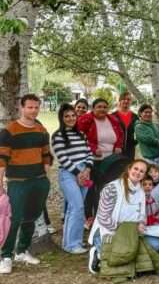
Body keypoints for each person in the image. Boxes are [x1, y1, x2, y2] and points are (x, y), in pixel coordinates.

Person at [87, 159, 159, 278]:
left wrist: (141, 223)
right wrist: (124, 230)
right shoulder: (112, 188)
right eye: (136, 169)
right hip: (110, 230)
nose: (138, 173)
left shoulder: (141, 190)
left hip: (132, 232)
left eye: (142, 171)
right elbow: (103, 218)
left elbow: (142, 215)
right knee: (117, 257)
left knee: (155, 244)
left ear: (144, 175)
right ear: (129, 169)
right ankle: (97, 252)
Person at [0, 94, 51, 274]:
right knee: (13, 219)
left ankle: (21, 251)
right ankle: (5, 256)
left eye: (36, 107)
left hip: (38, 181)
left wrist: (45, 172)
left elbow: (46, 153)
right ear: (21, 108)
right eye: (30, 107)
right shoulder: (9, 131)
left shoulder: (41, 129)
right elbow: (2, 160)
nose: (34, 110)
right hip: (18, 182)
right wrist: (0, 184)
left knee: (31, 217)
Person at [51, 103, 94, 254]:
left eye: (72, 116)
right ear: (62, 118)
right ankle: (72, 244)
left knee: (72, 209)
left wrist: (87, 169)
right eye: (66, 116)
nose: (70, 119)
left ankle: (70, 242)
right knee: (77, 207)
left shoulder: (81, 134)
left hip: (85, 171)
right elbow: (62, 158)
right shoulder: (58, 136)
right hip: (69, 174)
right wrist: (78, 173)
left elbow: (89, 153)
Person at [77, 98, 125, 224]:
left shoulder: (112, 119)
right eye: (99, 106)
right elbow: (79, 137)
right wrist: (92, 148)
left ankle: (103, 216)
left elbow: (120, 135)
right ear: (93, 108)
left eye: (105, 107)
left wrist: (118, 146)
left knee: (106, 189)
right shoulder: (85, 119)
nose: (102, 109)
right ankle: (88, 217)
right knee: (90, 189)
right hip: (91, 161)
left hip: (110, 162)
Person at [135, 104, 159, 174]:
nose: (148, 114)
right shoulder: (139, 127)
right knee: (152, 182)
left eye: (150, 112)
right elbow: (151, 140)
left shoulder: (155, 125)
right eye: (146, 112)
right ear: (140, 113)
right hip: (150, 160)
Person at [111, 91, 139, 160]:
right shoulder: (113, 116)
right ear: (120, 101)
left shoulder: (135, 117)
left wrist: (134, 142)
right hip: (116, 149)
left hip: (130, 150)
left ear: (131, 102)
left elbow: (139, 131)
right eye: (124, 99)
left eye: (128, 99)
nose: (126, 101)